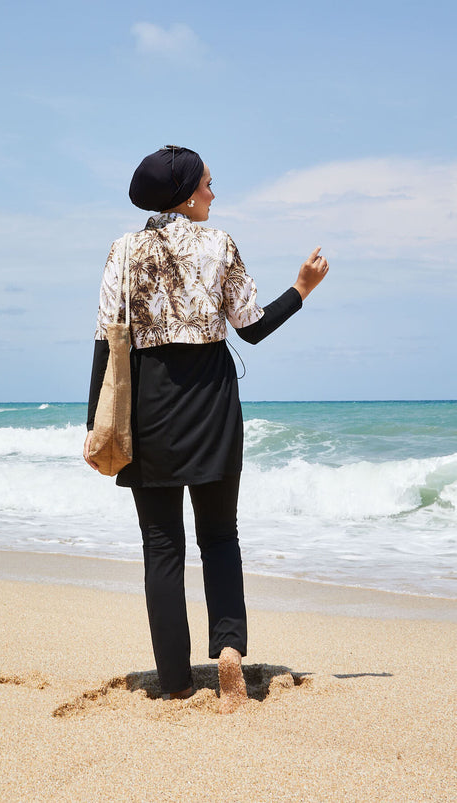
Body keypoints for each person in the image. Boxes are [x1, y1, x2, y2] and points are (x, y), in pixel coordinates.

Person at [83, 145, 328, 712]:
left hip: (148, 407)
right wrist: (301, 289)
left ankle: (175, 682)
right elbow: (252, 327)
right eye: (208, 185)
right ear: (187, 193)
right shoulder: (220, 244)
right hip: (213, 402)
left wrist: (95, 425)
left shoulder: (123, 249)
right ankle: (230, 650)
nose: (214, 195)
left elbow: (106, 341)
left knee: (161, 545)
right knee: (219, 536)